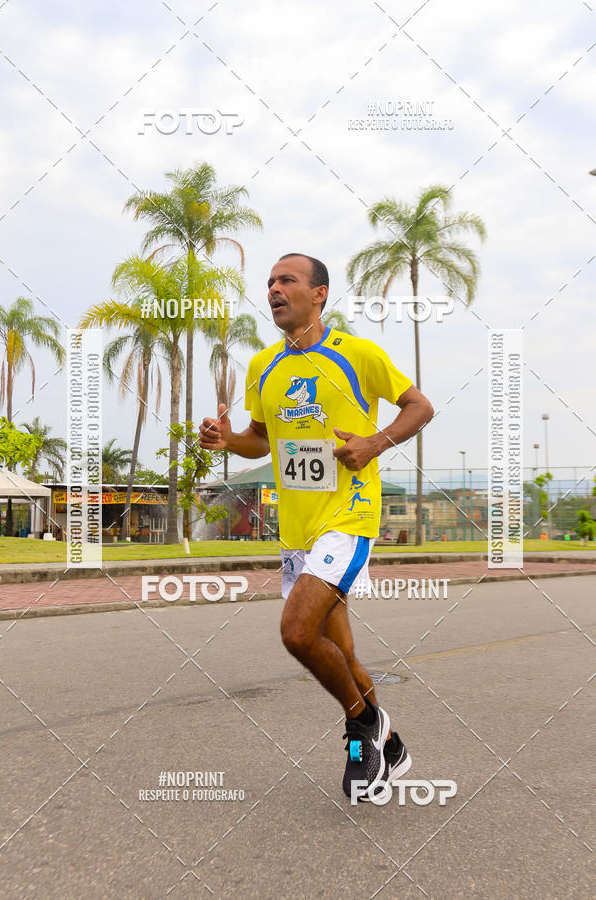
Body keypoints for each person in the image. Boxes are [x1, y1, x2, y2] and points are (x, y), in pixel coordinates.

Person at [199, 253, 434, 801]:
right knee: (342, 653)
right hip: (298, 529)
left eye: (287, 280)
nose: (275, 289)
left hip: (348, 517)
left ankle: (361, 726)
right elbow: (261, 436)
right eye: (270, 282)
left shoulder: (357, 354)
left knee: (297, 632)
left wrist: (376, 442)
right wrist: (227, 440)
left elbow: (419, 407)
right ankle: (389, 746)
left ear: (319, 293)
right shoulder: (264, 366)